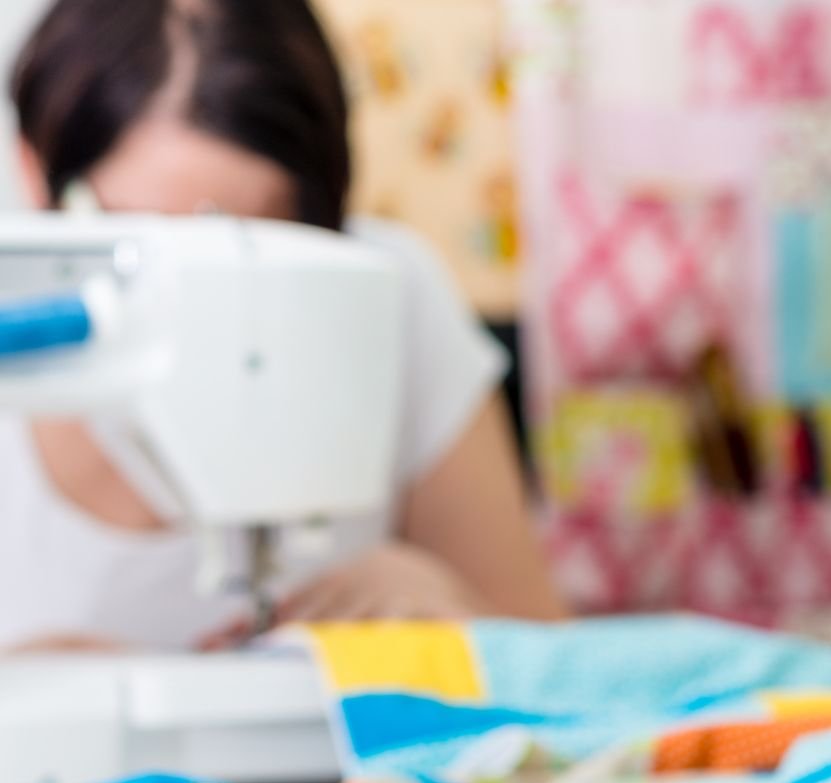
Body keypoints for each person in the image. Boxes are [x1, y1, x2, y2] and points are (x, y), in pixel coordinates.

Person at [2, 0, 565, 652]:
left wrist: (465, 625)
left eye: (247, 252)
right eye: (147, 249)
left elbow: (551, 668)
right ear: (33, 172)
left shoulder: (388, 299)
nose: (197, 322)